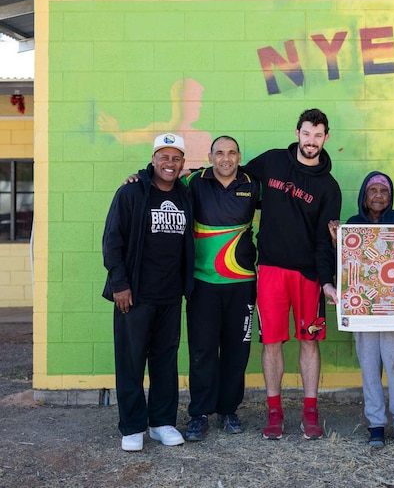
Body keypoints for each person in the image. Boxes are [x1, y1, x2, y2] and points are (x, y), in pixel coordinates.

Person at [242, 109, 342, 441]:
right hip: (269, 269)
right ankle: (274, 413)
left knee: (309, 342)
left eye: (318, 135)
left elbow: (323, 241)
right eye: (307, 133)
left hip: (308, 277)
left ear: (326, 138)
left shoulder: (329, 187)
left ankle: (310, 412)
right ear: (297, 132)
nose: (311, 141)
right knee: (271, 342)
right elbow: (233, 178)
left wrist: (326, 281)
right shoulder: (271, 162)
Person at [102, 133, 194, 452]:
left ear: (182, 163)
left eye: (176, 158)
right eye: (164, 157)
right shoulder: (130, 193)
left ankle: (161, 422)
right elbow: (112, 240)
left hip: (170, 295)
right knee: (131, 361)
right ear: (153, 159)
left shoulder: (185, 195)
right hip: (134, 294)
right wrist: (119, 284)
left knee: (165, 361)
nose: (170, 163)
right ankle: (132, 426)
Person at [181, 136, 260, 440]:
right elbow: (163, 179)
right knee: (202, 351)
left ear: (239, 156)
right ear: (210, 156)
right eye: (219, 153)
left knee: (236, 351)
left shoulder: (255, 184)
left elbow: (283, 211)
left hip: (242, 285)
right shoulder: (193, 181)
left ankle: (228, 411)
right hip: (203, 284)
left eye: (231, 153)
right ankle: (199, 414)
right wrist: (140, 175)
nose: (226, 158)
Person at [333, 171, 394, 447]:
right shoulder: (354, 224)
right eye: (373, 191)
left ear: (390, 197)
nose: (378, 195)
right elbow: (345, 266)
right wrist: (337, 242)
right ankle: (376, 424)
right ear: (364, 197)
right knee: (369, 368)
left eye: (384, 191)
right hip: (364, 311)